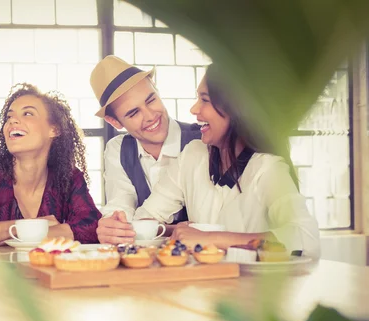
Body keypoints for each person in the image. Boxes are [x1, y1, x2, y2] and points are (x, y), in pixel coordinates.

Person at [133, 64, 320, 257]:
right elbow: (145, 218)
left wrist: (212, 238)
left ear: (237, 108)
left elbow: (306, 237)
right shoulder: (193, 155)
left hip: (251, 285)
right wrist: (174, 231)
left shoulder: (267, 169)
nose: (194, 109)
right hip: (204, 283)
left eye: (204, 100)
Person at [0, 83, 101, 246]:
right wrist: (22, 228)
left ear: (54, 129)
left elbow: (91, 227)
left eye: (27, 113)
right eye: (9, 117)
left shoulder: (69, 178)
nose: (13, 121)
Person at [89, 55, 201, 244]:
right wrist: (113, 226)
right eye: (133, 113)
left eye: (151, 100)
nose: (150, 116)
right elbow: (121, 206)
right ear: (114, 122)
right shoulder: (118, 150)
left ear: (156, 89)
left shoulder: (201, 141)